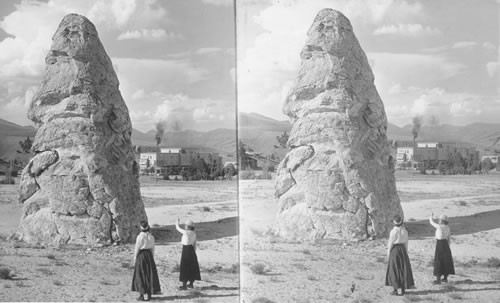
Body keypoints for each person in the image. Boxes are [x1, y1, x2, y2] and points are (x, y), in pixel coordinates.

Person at [385, 215, 415, 296]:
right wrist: (405, 251)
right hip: (402, 250)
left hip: (395, 250)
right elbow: (406, 243)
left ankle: (395, 290)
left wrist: (388, 252)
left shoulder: (393, 232)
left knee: (394, 268)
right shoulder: (405, 231)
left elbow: (390, 243)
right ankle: (403, 289)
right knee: (403, 268)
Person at [131, 220, 161, 301]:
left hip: (141, 255)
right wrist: (152, 257)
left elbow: (137, 248)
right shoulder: (151, 237)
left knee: (141, 274)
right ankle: (149, 294)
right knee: (149, 274)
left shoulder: (140, 237)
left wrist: (135, 258)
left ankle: (141, 295)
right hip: (149, 255)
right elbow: (153, 249)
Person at [176, 218, 201, 290]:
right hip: (191, 250)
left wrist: (177, 222)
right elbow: (195, 244)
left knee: (185, 267)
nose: (185, 226)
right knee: (191, 267)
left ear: (189, 226)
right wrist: (193, 252)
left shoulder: (186, 232)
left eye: (186, 225)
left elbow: (178, 228)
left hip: (186, 250)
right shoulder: (194, 233)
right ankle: (191, 284)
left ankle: (184, 285)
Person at [429, 213, 455, 284]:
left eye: (439, 220)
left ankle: (438, 279)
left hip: (440, 244)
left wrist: (430, 217)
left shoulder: (439, 227)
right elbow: (449, 238)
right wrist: (448, 247)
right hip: (446, 245)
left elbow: (431, 222)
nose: (438, 221)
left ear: (442, 221)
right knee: (446, 261)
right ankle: (445, 278)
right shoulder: (448, 227)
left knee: (439, 261)